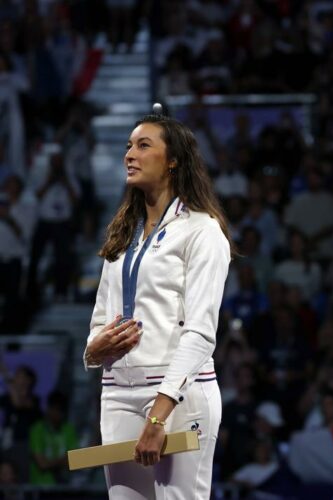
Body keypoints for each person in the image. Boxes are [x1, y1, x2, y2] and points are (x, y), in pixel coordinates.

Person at [84, 113, 233, 499]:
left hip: (177, 397)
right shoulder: (122, 232)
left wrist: (158, 414)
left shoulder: (202, 230)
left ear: (173, 161)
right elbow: (101, 316)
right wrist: (91, 351)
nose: (130, 155)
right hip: (117, 392)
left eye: (143, 145)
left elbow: (200, 332)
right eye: (128, 147)